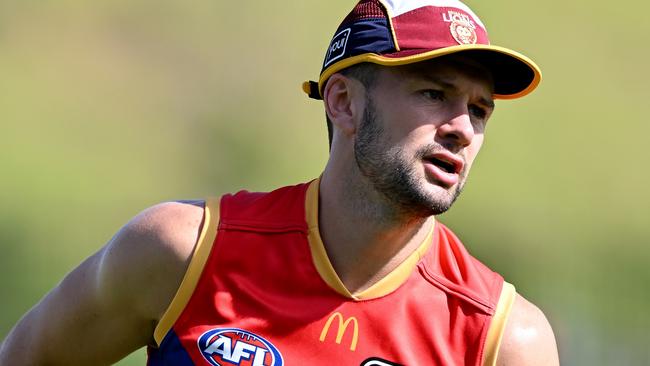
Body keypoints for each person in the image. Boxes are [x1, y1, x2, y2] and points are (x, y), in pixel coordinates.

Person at [0, 0, 559, 365]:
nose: (462, 128)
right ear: (343, 102)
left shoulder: (503, 339)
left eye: (480, 110)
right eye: (434, 94)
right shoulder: (183, 251)